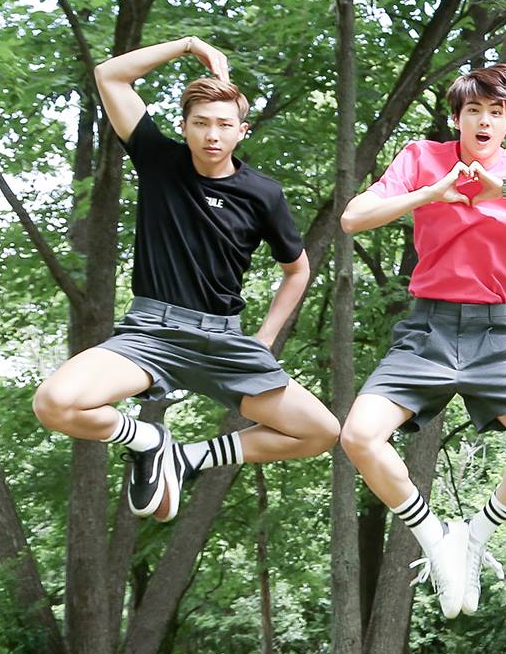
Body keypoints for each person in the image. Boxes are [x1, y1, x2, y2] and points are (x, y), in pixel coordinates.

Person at [31, 37, 338, 522]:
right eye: (200, 124)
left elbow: (296, 270)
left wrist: (265, 338)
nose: (211, 135)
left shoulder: (263, 194)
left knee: (320, 432)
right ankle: (148, 440)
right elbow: (110, 75)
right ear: (184, 127)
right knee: (55, 404)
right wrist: (188, 46)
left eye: (223, 125)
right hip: (151, 335)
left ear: (242, 131)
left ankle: (188, 458)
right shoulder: (158, 159)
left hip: (223, 342)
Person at [337, 64, 506, 617]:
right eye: (473, 110)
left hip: (495, 332)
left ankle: (472, 538)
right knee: (359, 437)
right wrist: (432, 193)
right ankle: (433, 537)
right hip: (427, 328)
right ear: (456, 118)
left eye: (496, 112)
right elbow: (353, 218)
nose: (484, 120)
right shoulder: (422, 159)